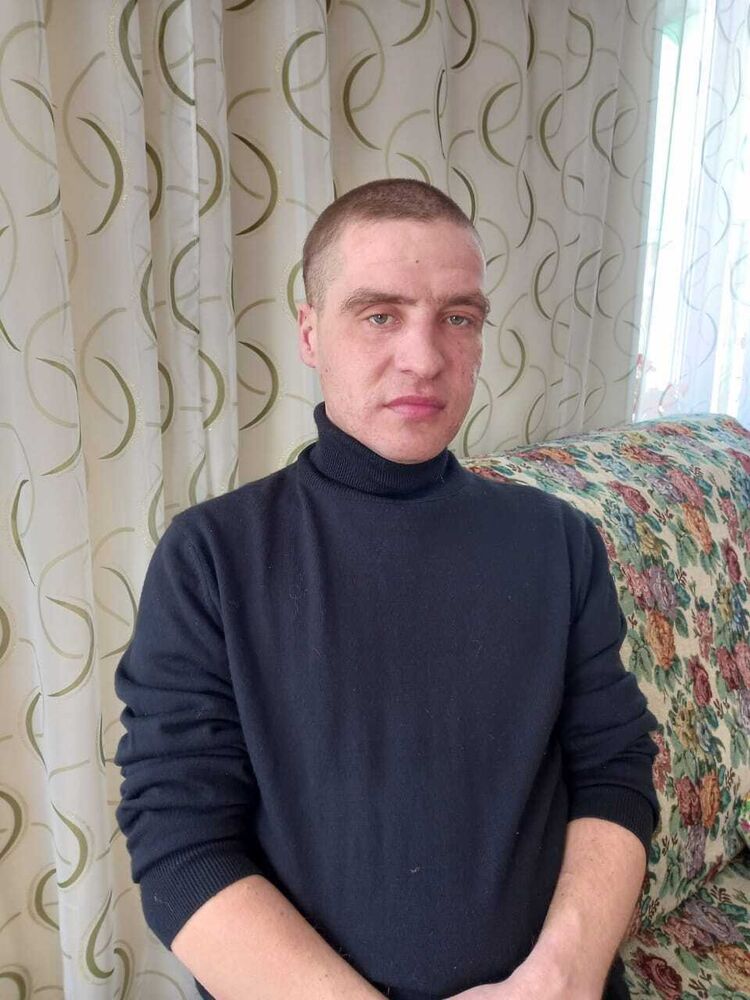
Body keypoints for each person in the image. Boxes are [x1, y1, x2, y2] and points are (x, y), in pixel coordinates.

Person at [114, 179, 659, 1000]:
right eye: (379, 315)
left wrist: (563, 975)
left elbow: (615, 768)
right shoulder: (211, 558)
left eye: (458, 318)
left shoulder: (558, 542)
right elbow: (180, 841)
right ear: (310, 332)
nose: (424, 358)